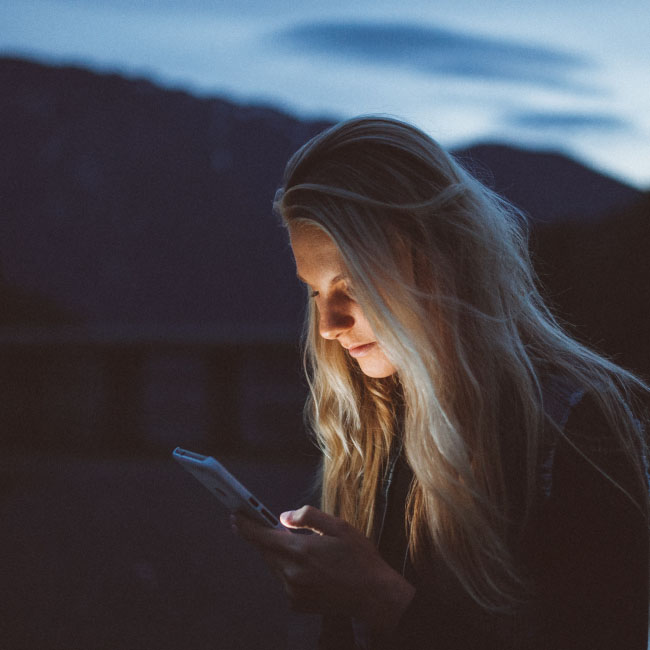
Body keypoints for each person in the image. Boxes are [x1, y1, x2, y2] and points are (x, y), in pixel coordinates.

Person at [231, 116, 649, 649]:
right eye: (314, 292)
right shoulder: (377, 418)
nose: (329, 326)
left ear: (438, 259)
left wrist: (380, 599)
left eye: (351, 283)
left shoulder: (574, 425)